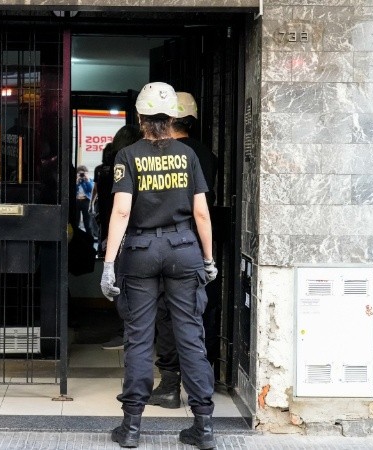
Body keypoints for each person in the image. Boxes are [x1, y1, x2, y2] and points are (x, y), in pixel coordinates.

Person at [100, 82, 218, 449]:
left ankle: (131, 428)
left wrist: (108, 263)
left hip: (140, 250)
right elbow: (201, 212)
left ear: (139, 117)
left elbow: (121, 211)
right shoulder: (188, 155)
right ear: (172, 117)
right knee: (190, 336)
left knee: (138, 337)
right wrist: (208, 259)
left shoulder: (127, 155)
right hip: (184, 249)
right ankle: (203, 427)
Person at [149, 92, 220, 409]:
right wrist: (209, 256)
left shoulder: (161, 153)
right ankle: (202, 387)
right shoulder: (207, 155)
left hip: (164, 243)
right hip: (196, 244)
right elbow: (203, 210)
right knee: (197, 314)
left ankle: (169, 386)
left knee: (166, 315)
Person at [94, 125, 144, 351]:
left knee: (121, 283)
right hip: (140, 234)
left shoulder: (112, 167)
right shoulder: (134, 162)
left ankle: (128, 332)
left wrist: (107, 237)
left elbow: (111, 207)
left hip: (117, 231)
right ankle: (134, 333)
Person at [75, 165, 94, 234]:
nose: (81, 175)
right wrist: (76, 182)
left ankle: (89, 236)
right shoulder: (76, 181)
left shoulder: (89, 180)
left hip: (86, 201)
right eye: (80, 174)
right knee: (76, 220)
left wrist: (87, 180)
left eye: (83, 173)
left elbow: (91, 190)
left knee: (87, 221)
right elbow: (72, 190)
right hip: (77, 201)